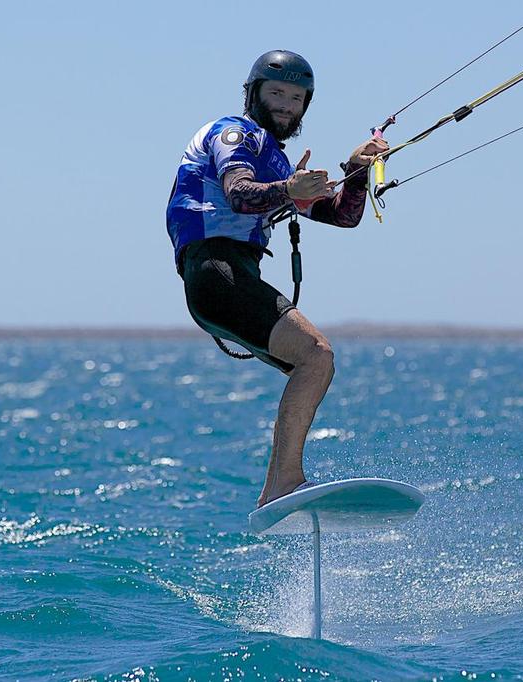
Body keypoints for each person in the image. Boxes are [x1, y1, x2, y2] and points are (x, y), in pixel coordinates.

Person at [166, 50, 388, 508]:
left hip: (229, 277)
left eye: (297, 97)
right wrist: (290, 189)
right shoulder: (234, 134)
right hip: (215, 270)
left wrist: (355, 172)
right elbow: (239, 193)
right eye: (277, 93)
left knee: (312, 365)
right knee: (316, 354)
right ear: (254, 94)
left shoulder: (278, 162)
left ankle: (280, 487)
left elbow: (342, 216)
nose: (287, 104)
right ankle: (283, 483)